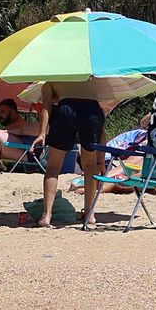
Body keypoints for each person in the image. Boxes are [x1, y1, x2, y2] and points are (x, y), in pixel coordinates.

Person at [31, 84, 111, 228]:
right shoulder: (90, 74)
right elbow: (102, 131)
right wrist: (101, 160)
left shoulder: (51, 79)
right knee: (90, 166)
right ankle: (89, 213)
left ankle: (47, 215)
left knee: (53, 166)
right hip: (92, 110)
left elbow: (46, 106)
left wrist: (42, 133)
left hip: (66, 108)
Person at [0, 98, 40, 172]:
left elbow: (22, 131)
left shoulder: (41, 126)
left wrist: (6, 131)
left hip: (31, 154)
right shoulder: (44, 124)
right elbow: (22, 131)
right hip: (29, 151)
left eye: (2, 112)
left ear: (13, 112)